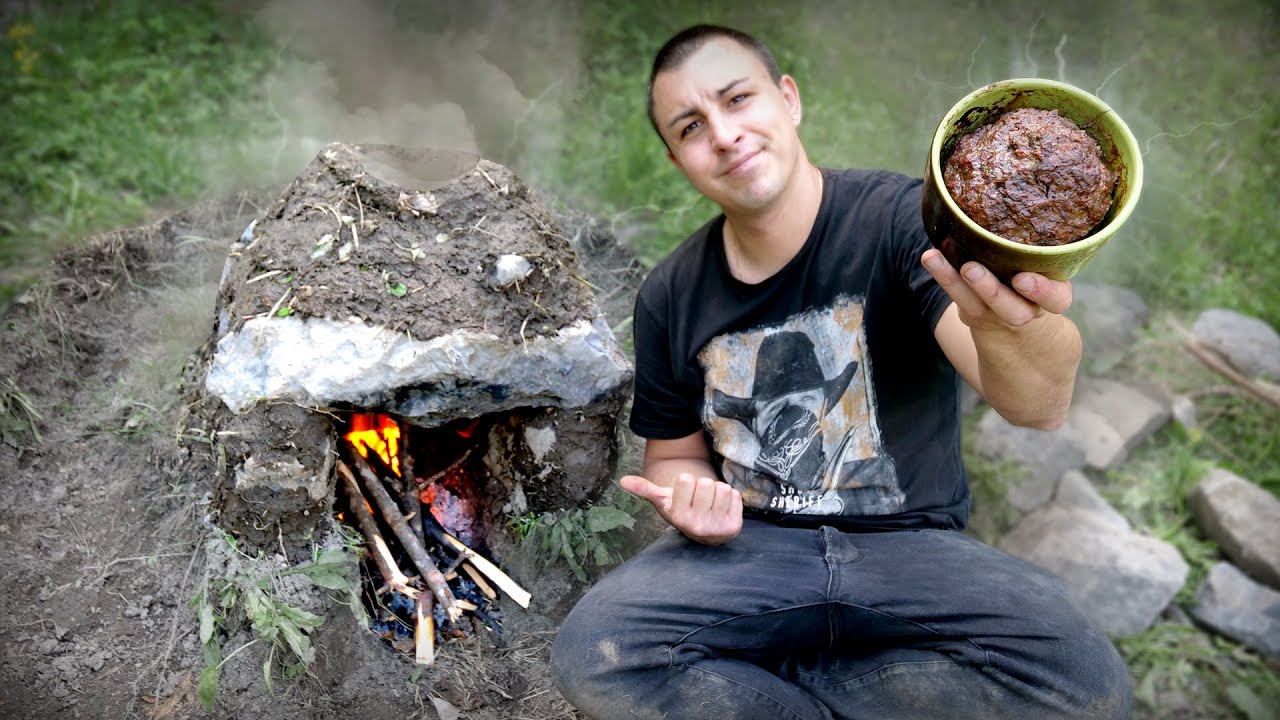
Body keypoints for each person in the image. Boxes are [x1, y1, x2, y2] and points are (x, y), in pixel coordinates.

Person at [551, 24, 1133, 720]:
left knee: (1083, 683)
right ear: (679, 160)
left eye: (739, 99)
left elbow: (1036, 404)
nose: (725, 134)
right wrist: (694, 496)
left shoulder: (901, 222)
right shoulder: (670, 294)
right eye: (692, 127)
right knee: (596, 652)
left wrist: (1015, 325)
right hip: (751, 557)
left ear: (787, 99)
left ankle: (800, 692)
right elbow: (674, 458)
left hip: (912, 552)